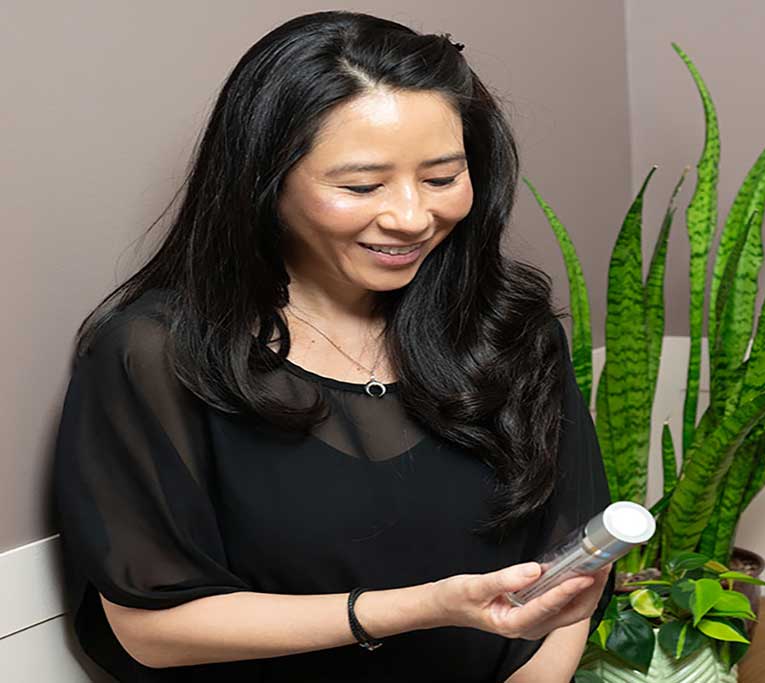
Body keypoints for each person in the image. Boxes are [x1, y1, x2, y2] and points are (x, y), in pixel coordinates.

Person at [53, 9, 615, 683]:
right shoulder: (157, 354)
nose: (411, 216)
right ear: (267, 183)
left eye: (441, 177)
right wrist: (417, 607)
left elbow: (569, 573)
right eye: (360, 186)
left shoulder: (513, 330)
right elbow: (152, 629)